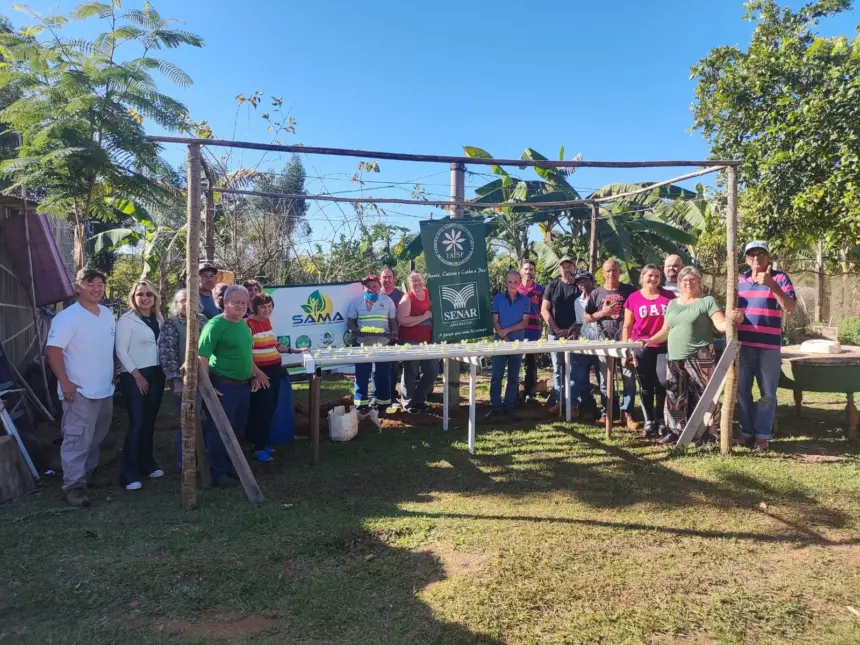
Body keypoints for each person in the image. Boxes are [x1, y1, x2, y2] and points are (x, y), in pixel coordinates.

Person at [644, 267, 742, 444]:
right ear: (679, 283)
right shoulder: (673, 304)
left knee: (705, 394)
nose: (688, 283)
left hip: (700, 354)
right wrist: (650, 340)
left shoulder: (707, 301)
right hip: (675, 356)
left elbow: (719, 324)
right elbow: (666, 330)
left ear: (699, 281)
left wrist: (731, 321)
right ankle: (675, 431)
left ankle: (710, 433)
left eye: (692, 279)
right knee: (674, 393)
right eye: (684, 280)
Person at [45, 268, 117, 507]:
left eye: (100, 284)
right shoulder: (67, 317)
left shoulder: (107, 314)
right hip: (79, 390)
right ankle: (74, 485)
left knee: (97, 434)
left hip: (104, 388)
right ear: (78, 287)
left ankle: (89, 472)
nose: (96, 289)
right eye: (90, 284)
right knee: (77, 438)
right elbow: (53, 351)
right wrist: (65, 382)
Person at [198, 285, 268, 486]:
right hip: (223, 387)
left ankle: (231, 467)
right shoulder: (215, 326)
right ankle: (217, 473)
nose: (240, 305)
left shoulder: (243, 326)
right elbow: (202, 357)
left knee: (237, 430)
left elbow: (245, 355)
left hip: (243, 387)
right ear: (225, 302)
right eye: (235, 302)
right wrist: (208, 387)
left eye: (244, 302)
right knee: (220, 431)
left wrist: (257, 373)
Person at [736, 241, 796, 450]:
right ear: (745, 258)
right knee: (741, 390)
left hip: (768, 346)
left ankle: (762, 434)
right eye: (751, 254)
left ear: (768, 257)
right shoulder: (739, 280)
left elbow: (790, 307)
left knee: (768, 392)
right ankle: (746, 431)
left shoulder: (779, 278)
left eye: (760, 254)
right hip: (743, 345)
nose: (756, 258)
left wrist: (771, 284)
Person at [115, 279, 166, 491]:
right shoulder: (127, 320)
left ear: (154, 298)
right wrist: (136, 375)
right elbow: (121, 350)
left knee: (150, 421)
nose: (144, 298)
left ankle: (147, 462)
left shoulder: (159, 319)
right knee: (137, 422)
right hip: (135, 374)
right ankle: (128, 471)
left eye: (148, 294)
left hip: (156, 373)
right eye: (140, 294)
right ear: (133, 298)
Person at [245, 293, 305, 462]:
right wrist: (256, 373)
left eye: (270, 306)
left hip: (274, 370)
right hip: (260, 372)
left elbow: (275, 345)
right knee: (261, 410)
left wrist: (294, 351)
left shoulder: (267, 322)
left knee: (270, 408)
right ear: (254, 307)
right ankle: (257, 448)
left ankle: (262, 444)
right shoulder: (248, 324)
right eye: (263, 307)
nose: (267, 310)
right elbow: (246, 352)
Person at [621, 265, 675, 438]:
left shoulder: (668, 296)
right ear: (642, 277)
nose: (653, 279)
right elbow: (627, 325)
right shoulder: (633, 298)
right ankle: (649, 421)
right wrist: (626, 350)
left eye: (657, 276)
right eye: (650, 275)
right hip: (641, 347)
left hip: (662, 346)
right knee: (645, 386)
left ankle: (660, 420)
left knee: (661, 383)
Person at [584, 259, 638, 429]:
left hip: (625, 341)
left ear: (620, 271)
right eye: (608, 270)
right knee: (604, 379)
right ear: (602, 273)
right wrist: (604, 312)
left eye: (614, 270)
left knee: (628, 378)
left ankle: (627, 413)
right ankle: (606, 413)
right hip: (604, 341)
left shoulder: (630, 291)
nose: (611, 273)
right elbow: (586, 317)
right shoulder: (596, 293)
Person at [158, 288, 207, 466]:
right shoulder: (171, 324)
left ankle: (203, 455)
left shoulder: (203, 321)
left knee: (203, 418)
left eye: (190, 299)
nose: (187, 304)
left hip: (205, 379)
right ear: (176, 304)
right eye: (182, 300)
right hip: (184, 380)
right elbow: (167, 354)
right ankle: (185, 460)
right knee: (187, 420)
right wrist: (175, 381)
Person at [347, 274, 399, 412]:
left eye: (374, 286)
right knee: (361, 374)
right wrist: (355, 330)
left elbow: (393, 321)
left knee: (383, 374)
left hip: (383, 343)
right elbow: (351, 322)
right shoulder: (356, 302)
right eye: (368, 286)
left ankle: (383, 404)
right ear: (364, 288)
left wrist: (394, 333)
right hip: (362, 343)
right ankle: (361, 404)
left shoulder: (387, 301)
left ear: (379, 286)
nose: (371, 289)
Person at [486, 271, 531, 420]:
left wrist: (509, 331)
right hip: (499, 341)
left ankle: (509, 407)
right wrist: (503, 335)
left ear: (520, 283)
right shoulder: (498, 299)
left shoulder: (525, 300)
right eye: (510, 282)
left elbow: (525, 322)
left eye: (515, 282)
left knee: (513, 376)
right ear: (506, 283)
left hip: (517, 342)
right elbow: (495, 320)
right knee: (496, 375)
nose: (512, 285)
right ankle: (496, 406)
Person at [541, 256, 581, 416]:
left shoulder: (580, 286)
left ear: (574, 268)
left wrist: (570, 330)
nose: (566, 269)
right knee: (558, 369)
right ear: (560, 269)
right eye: (563, 266)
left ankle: (573, 404)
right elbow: (545, 310)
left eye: (569, 266)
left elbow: (584, 311)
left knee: (572, 369)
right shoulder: (552, 286)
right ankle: (559, 401)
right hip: (554, 334)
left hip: (574, 334)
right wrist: (557, 330)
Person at [396, 271, 438, 413]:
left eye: (419, 280)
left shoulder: (428, 294)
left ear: (423, 281)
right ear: (409, 283)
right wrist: (423, 317)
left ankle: (419, 399)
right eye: (413, 281)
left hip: (428, 340)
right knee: (411, 371)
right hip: (410, 339)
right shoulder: (407, 298)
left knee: (432, 371)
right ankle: (408, 403)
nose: (417, 283)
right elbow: (403, 321)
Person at [572, 271, 600, 418]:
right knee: (582, 379)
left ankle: (607, 409)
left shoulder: (601, 296)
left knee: (603, 379)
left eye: (584, 281)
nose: (581, 285)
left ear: (591, 280)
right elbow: (579, 322)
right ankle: (589, 406)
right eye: (579, 282)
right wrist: (572, 331)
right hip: (583, 343)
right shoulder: (577, 302)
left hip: (601, 342)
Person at [518, 259, 544, 402]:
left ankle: (529, 392)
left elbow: (544, 309)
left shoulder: (540, 290)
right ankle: (513, 391)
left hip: (533, 330)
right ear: (521, 270)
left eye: (531, 269)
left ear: (534, 272)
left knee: (531, 361)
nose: (528, 272)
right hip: (517, 330)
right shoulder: (515, 288)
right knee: (513, 360)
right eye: (526, 269)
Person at [379, 267, 404, 407]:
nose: (387, 279)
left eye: (389, 277)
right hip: (377, 338)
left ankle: (392, 396)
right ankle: (376, 396)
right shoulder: (374, 294)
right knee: (377, 368)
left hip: (394, 338)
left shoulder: (401, 296)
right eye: (384, 277)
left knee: (393, 368)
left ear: (394, 279)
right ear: (380, 279)